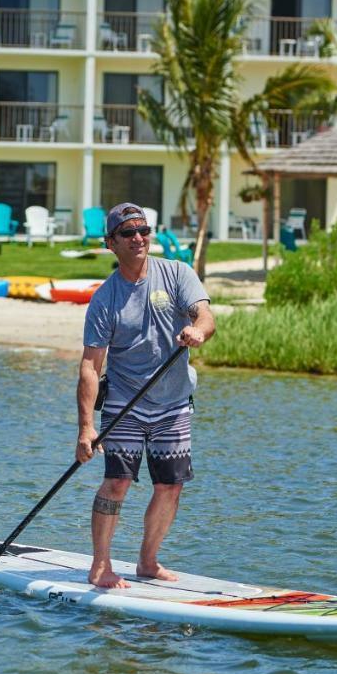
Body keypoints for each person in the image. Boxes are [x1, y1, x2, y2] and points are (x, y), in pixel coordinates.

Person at [76, 203, 215, 588]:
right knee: (117, 481)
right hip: (125, 403)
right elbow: (90, 366)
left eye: (143, 230)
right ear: (110, 243)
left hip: (174, 401)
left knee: (170, 485)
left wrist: (198, 332)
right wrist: (86, 427)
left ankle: (148, 562)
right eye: (127, 232)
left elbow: (205, 316)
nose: (138, 238)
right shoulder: (105, 298)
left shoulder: (177, 273)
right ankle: (101, 565)